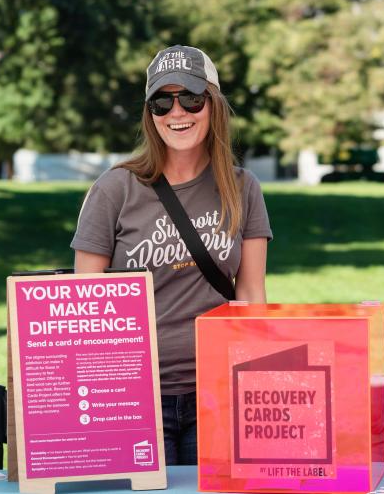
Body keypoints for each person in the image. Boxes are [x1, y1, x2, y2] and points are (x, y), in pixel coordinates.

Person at [71, 45, 272, 465]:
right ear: (150, 113)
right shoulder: (114, 190)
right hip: (132, 395)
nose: (177, 112)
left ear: (213, 105)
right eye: (162, 101)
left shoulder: (242, 186)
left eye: (191, 98)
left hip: (216, 389)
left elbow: (251, 292)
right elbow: (82, 306)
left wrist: (256, 383)